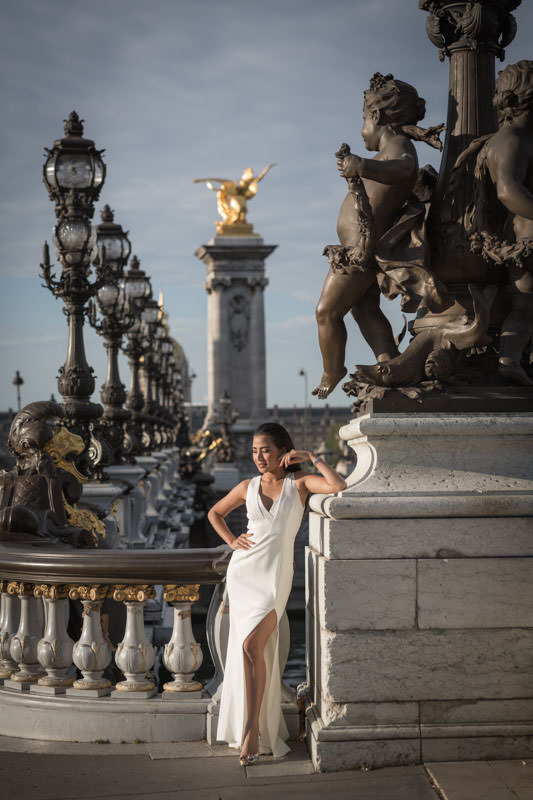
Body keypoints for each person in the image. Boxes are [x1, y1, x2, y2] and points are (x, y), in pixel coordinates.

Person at [207, 422, 346, 766]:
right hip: (243, 574)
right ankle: (251, 730)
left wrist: (313, 457)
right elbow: (214, 513)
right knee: (249, 651)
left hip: (274, 580)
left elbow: (337, 485)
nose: (259, 457)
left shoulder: (298, 484)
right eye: (255, 450)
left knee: (251, 646)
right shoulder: (247, 486)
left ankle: (253, 730)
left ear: (284, 451)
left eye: (265, 450)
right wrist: (231, 541)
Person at [313, 72, 445, 399]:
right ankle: (390, 362)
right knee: (365, 310)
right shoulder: (386, 151)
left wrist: (362, 166)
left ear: (375, 116)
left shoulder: (396, 147)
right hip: (358, 247)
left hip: (359, 251)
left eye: (363, 120)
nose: (362, 131)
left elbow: (405, 169)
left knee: (326, 312)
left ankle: (333, 369)